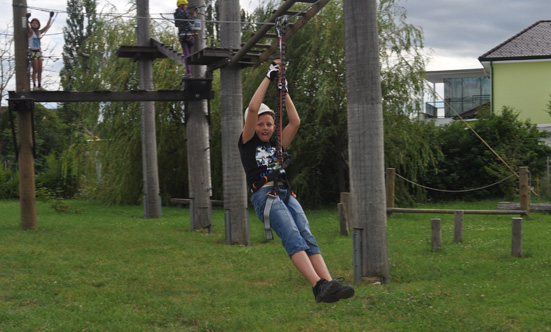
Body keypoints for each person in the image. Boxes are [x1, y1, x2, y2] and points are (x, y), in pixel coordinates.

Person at [238, 60, 355, 303]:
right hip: (265, 195)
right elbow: (252, 108)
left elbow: (295, 122)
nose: (265, 127)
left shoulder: (276, 145)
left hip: (285, 193)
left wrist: (285, 92)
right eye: (261, 124)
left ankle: (329, 283)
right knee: (292, 235)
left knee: (306, 234)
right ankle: (318, 286)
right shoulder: (248, 142)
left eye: (269, 124)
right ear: (252, 127)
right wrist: (269, 77)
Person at [27, 11, 54, 91]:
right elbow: (26, 26)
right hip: (33, 51)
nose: (34, 24)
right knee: (35, 69)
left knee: (40, 70)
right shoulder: (30, 32)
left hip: (39, 52)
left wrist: (50, 17)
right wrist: (26, 18)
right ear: (31, 24)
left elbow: (47, 26)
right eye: (33, 23)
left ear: (38, 25)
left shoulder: (39, 33)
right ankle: (34, 85)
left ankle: (39, 85)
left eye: (36, 23)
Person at [174, 0, 197, 77]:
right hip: (189, 35)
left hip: (182, 36)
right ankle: (188, 72)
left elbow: (176, 25)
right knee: (189, 55)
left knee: (186, 55)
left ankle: (188, 72)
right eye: (185, 5)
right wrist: (193, 15)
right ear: (182, 6)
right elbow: (192, 21)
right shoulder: (184, 12)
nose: (186, 7)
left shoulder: (176, 14)